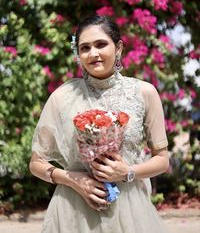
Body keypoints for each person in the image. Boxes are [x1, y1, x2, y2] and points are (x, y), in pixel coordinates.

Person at [29, 15, 169, 233]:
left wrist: (127, 172)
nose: (93, 53)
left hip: (129, 211)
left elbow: (162, 160)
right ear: (78, 54)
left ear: (119, 47)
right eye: (84, 48)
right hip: (72, 211)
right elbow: (36, 163)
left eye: (101, 44)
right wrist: (73, 179)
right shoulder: (62, 96)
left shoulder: (144, 93)